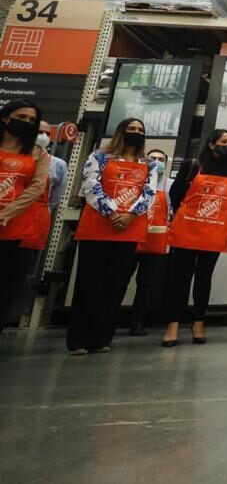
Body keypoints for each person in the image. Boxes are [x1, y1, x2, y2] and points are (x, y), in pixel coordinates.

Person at [67, 118, 157, 354]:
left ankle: (102, 338)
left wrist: (130, 215)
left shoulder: (149, 163)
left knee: (115, 286)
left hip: (129, 229)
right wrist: (112, 212)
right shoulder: (99, 156)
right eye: (131, 129)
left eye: (140, 130)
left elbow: (149, 192)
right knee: (89, 283)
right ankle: (78, 339)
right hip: (98, 227)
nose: (136, 132)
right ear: (121, 132)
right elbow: (90, 186)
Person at [161, 130, 227, 347]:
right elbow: (176, 194)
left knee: (204, 278)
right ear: (211, 144)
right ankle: (173, 324)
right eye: (224, 141)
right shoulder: (192, 166)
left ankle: (199, 321)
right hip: (187, 230)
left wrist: (214, 216)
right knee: (179, 278)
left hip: (214, 232)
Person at [0, 100, 49, 332]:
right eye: (21, 117)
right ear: (5, 117)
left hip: (14, 228)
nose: (27, 122)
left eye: (31, 120)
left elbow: (37, 187)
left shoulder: (38, 153)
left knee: (6, 288)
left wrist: (6, 213)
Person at [128, 149, 171, 337]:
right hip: (130, 239)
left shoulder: (169, 185)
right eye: (153, 158)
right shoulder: (135, 180)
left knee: (146, 286)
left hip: (155, 243)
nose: (156, 162)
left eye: (161, 159)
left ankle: (137, 321)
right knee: (119, 280)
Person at [37, 121, 67, 214]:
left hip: (39, 213)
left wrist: (45, 209)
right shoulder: (14, 158)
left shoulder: (59, 165)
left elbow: (57, 194)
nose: (44, 136)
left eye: (48, 134)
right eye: (40, 132)